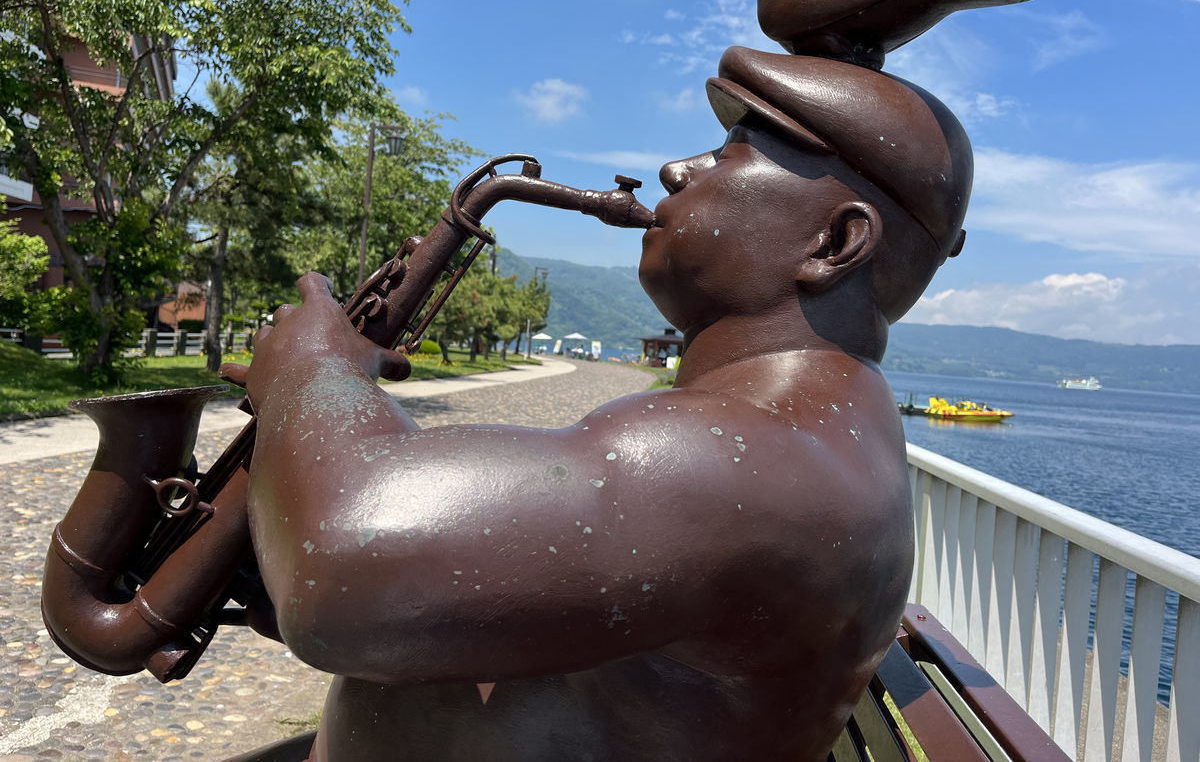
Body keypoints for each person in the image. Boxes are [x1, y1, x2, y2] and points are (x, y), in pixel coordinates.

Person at [220, 44, 973, 761]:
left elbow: (343, 569)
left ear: (835, 242)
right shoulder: (815, 429)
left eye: (728, 155)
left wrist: (307, 368)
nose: (677, 169)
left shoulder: (748, 454)